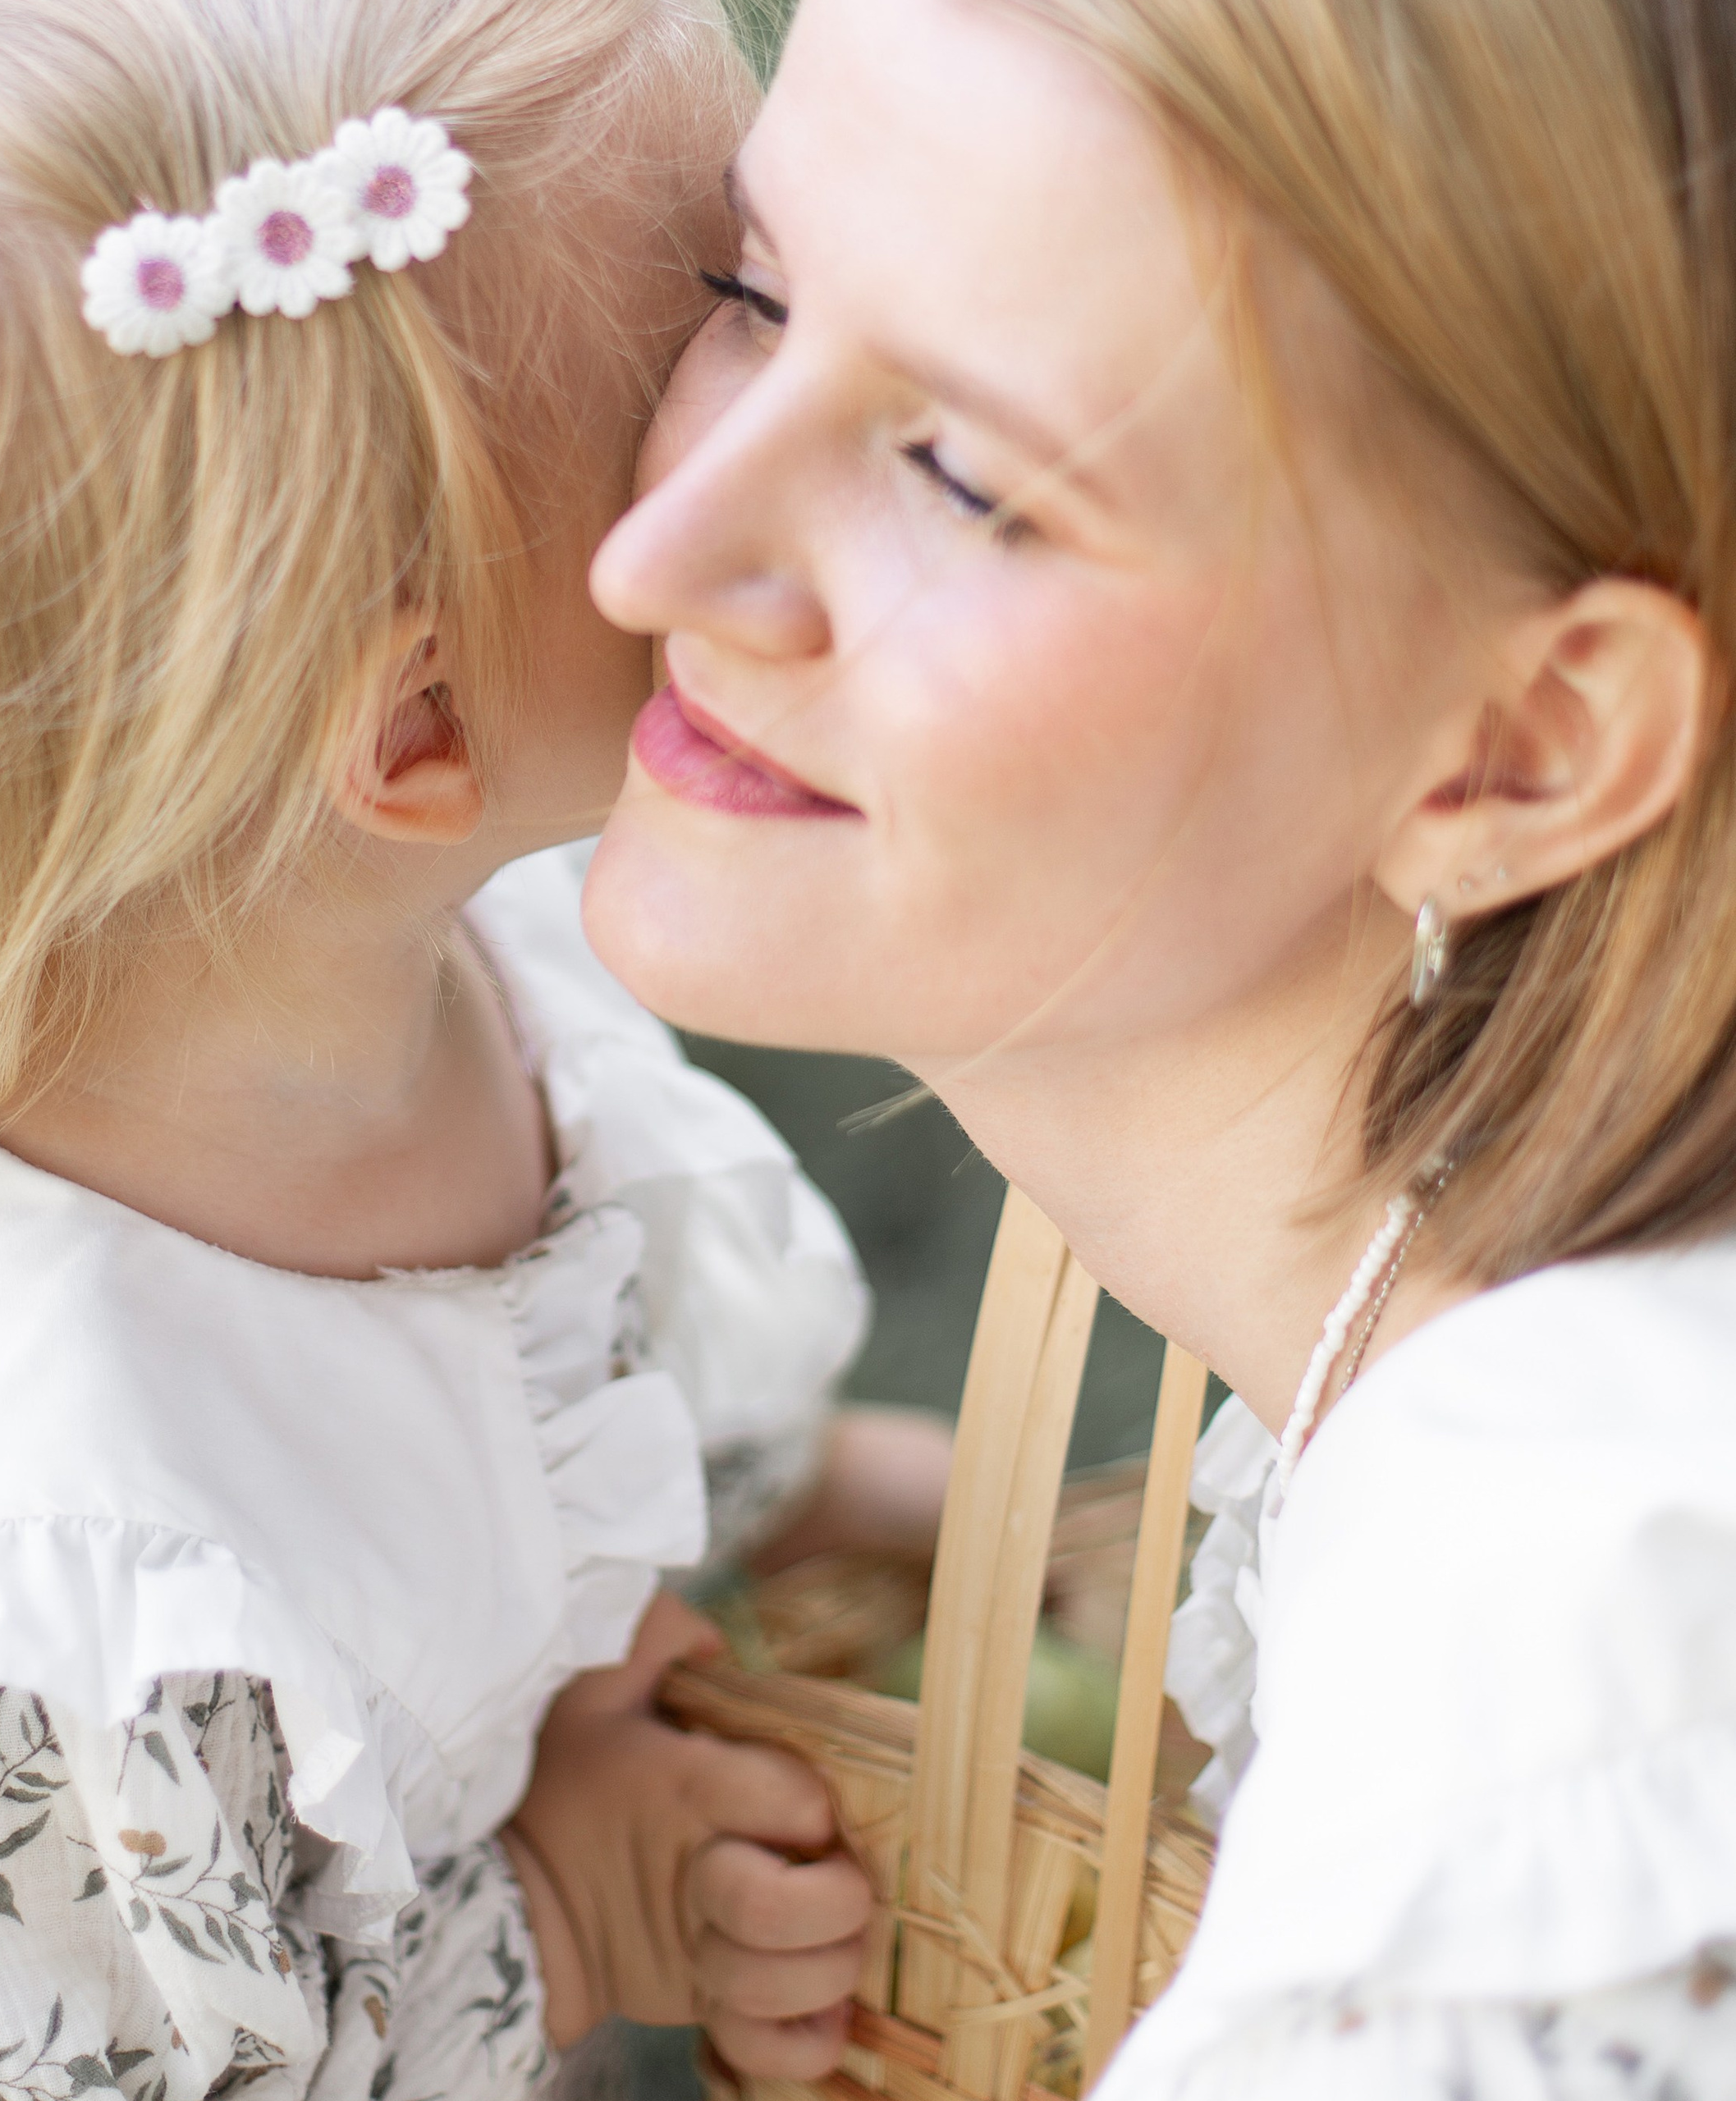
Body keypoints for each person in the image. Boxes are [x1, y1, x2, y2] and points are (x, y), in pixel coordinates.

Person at [0, 0, 952, 2090]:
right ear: (414, 727)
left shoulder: (438, 939)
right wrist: (566, 1908)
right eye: (740, 304)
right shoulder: (14, 1611)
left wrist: (922, 1509)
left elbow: (566, 1406)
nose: (845, 379)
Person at [583, 0, 1736, 2090]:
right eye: (746, 295)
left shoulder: (1555, 1746)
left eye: (961, 476)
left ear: (1516, 749)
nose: (652, 554)